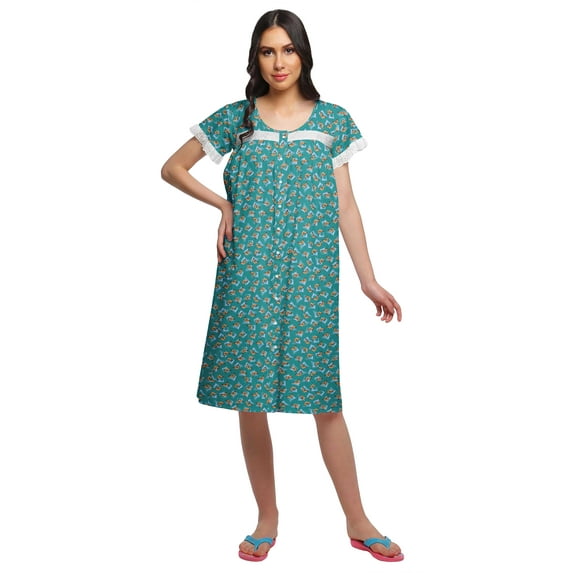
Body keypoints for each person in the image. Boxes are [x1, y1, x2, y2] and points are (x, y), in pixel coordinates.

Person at [161, 9, 404, 563]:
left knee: (324, 399)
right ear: (256, 57)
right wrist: (222, 204)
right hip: (248, 272)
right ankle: (266, 518)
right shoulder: (238, 118)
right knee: (250, 400)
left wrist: (368, 279)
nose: (278, 62)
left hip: (311, 274)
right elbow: (173, 168)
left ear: (303, 54)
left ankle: (358, 519)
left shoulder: (333, 120)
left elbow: (345, 205)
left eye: (288, 50)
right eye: (268, 51)